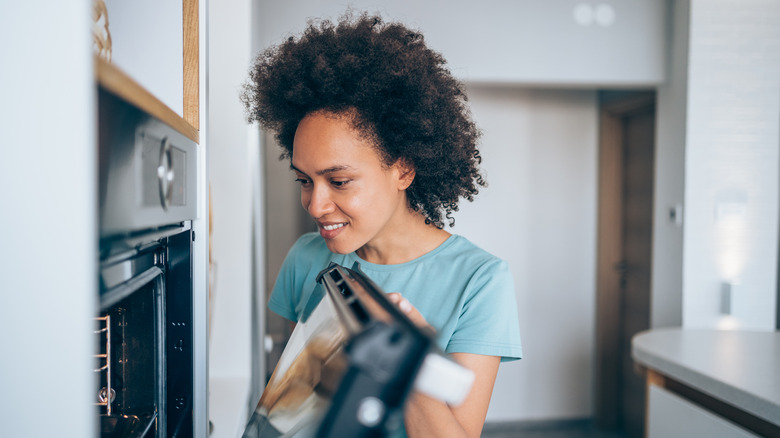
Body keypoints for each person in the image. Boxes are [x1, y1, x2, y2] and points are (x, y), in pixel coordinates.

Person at [242, 11, 522, 438]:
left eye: (338, 181)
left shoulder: (480, 280)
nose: (315, 205)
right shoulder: (305, 257)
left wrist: (406, 358)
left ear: (404, 170)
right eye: (304, 180)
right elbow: (291, 390)